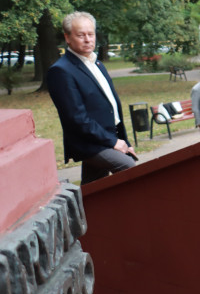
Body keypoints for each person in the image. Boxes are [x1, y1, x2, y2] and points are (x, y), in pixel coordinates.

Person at [47, 11, 137, 184]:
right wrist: (113, 143)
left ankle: (88, 211)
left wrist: (125, 141)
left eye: (91, 34)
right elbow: (76, 118)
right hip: (89, 144)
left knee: (93, 189)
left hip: (108, 138)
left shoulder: (98, 64)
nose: (88, 39)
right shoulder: (61, 71)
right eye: (81, 35)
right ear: (67, 38)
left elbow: (113, 107)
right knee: (129, 167)